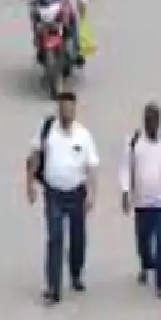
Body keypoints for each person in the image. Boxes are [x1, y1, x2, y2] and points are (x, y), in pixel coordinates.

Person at [25, 91, 99, 305]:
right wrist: (29, 185)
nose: (67, 112)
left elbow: (92, 167)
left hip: (76, 193)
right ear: (58, 109)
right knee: (55, 238)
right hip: (54, 194)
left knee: (78, 239)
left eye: (70, 108)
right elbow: (34, 158)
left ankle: (76, 272)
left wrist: (92, 195)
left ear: (75, 110)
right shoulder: (47, 131)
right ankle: (53, 287)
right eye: (63, 108)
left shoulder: (83, 135)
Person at [119, 103, 161, 299]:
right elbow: (125, 168)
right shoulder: (133, 142)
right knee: (144, 241)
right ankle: (147, 264)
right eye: (149, 120)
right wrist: (125, 193)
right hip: (142, 202)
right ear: (144, 121)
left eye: (155, 120)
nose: (152, 124)